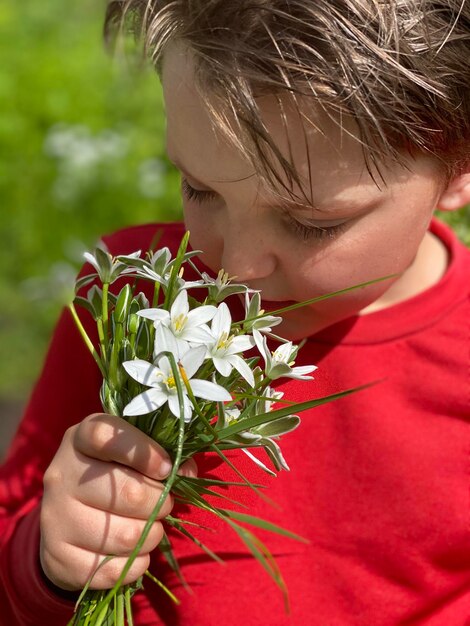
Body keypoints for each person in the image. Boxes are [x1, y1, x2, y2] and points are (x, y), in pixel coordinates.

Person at [1, 0, 470, 624]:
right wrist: (50, 564)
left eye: (311, 224)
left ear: (457, 169)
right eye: (199, 188)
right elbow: (19, 527)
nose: (235, 267)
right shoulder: (132, 302)